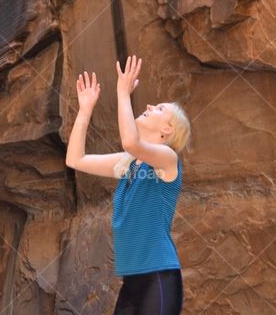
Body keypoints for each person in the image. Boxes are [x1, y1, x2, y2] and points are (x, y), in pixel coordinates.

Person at [65, 54, 192, 315]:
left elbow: (131, 142)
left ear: (167, 131)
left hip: (159, 277)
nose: (149, 105)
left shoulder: (168, 160)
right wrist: (86, 109)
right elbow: (75, 159)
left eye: (159, 109)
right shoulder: (128, 164)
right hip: (132, 283)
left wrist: (123, 93)